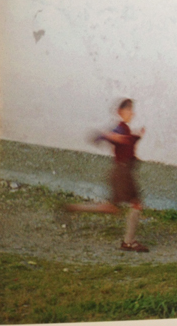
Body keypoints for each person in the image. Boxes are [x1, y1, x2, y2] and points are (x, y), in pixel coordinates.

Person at [66, 98, 149, 252]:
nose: (131, 113)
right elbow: (113, 136)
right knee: (136, 204)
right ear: (120, 112)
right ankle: (128, 242)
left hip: (121, 172)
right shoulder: (120, 129)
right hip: (123, 173)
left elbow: (126, 143)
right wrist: (107, 136)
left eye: (132, 110)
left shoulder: (126, 130)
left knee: (111, 208)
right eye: (128, 110)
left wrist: (136, 136)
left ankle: (73, 207)